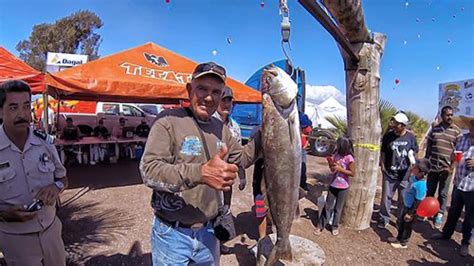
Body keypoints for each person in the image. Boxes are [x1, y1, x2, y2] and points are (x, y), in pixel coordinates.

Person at [139, 62, 260, 265]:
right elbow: (149, 170)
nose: (209, 97)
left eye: (216, 91)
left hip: (209, 233)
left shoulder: (222, 129)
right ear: (189, 90)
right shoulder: (168, 121)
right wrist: (201, 173)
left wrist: (267, 132)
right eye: (202, 88)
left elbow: (243, 159)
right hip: (172, 234)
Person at [0, 80, 68, 265]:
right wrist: (3, 214)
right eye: (13, 107)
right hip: (16, 239)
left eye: (26, 106)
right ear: (0, 111)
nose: (22, 114)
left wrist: (57, 186)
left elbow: (63, 177)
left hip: (51, 231)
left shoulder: (45, 143)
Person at [431, 120, 473, 257]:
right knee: (454, 211)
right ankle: (446, 234)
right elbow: (455, 156)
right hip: (459, 182)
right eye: (472, 125)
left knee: (470, 217)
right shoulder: (462, 138)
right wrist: (452, 163)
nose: (472, 128)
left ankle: (465, 243)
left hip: (472, 187)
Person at [213, 86, 246, 254]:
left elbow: (238, 155)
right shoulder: (207, 123)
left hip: (227, 181)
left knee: (224, 210)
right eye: (223, 99)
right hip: (209, 181)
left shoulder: (235, 128)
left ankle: (218, 243)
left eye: (230, 100)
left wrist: (242, 176)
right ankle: (208, 244)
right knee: (209, 212)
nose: (226, 103)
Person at [425, 105, 463, 228]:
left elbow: (459, 153)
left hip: (446, 169)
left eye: (451, 115)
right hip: (433, 167)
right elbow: (429, 146)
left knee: (443, 193)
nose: (450, 117)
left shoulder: (457, 132)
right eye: (447, 115)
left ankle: (439, 215)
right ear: (442, 116)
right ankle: (427, 211)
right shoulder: (435, 129)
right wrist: (426, 162)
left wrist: (451, 167)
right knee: (430, 190)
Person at [378, 112, 419, 228]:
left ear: (402, 125)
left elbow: (415, 152)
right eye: (394, 122)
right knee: (386, 197)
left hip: (405, 175)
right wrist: (382, 165)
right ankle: (384, 218)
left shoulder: (410, 137)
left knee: (403, 199)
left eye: (396, 123)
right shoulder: (388, 136)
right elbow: (384, 152)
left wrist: (413, 168)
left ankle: (400, 219)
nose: (394, 124)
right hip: (389, 173)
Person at [314, 136, 355, 236]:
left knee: (338, 208)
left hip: (343, 187)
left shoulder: (349, 158)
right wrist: (331, 165)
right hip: (333, 184)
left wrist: (340, 169)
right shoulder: (336, 155)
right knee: (327, 206)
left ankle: (335, 226)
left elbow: (352, 173)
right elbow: (333, 170)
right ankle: (320, 225)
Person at [391, 159, 430, 249]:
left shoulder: (421, 185)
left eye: (416, 168)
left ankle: (403, 242)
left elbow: (418, 201)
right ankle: (398, 238)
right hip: (406, 204)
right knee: (401, 223)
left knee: (407, 226)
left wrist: (410, 213)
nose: (413, 168)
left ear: (421, 172)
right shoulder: (413, 178)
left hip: (412, 209)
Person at [299, 110, 313, 191]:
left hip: (301, 149)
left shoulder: (303, 119)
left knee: (302, 168)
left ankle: (302, 185)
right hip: (293, 149)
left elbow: (309, 134)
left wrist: (306, 143)